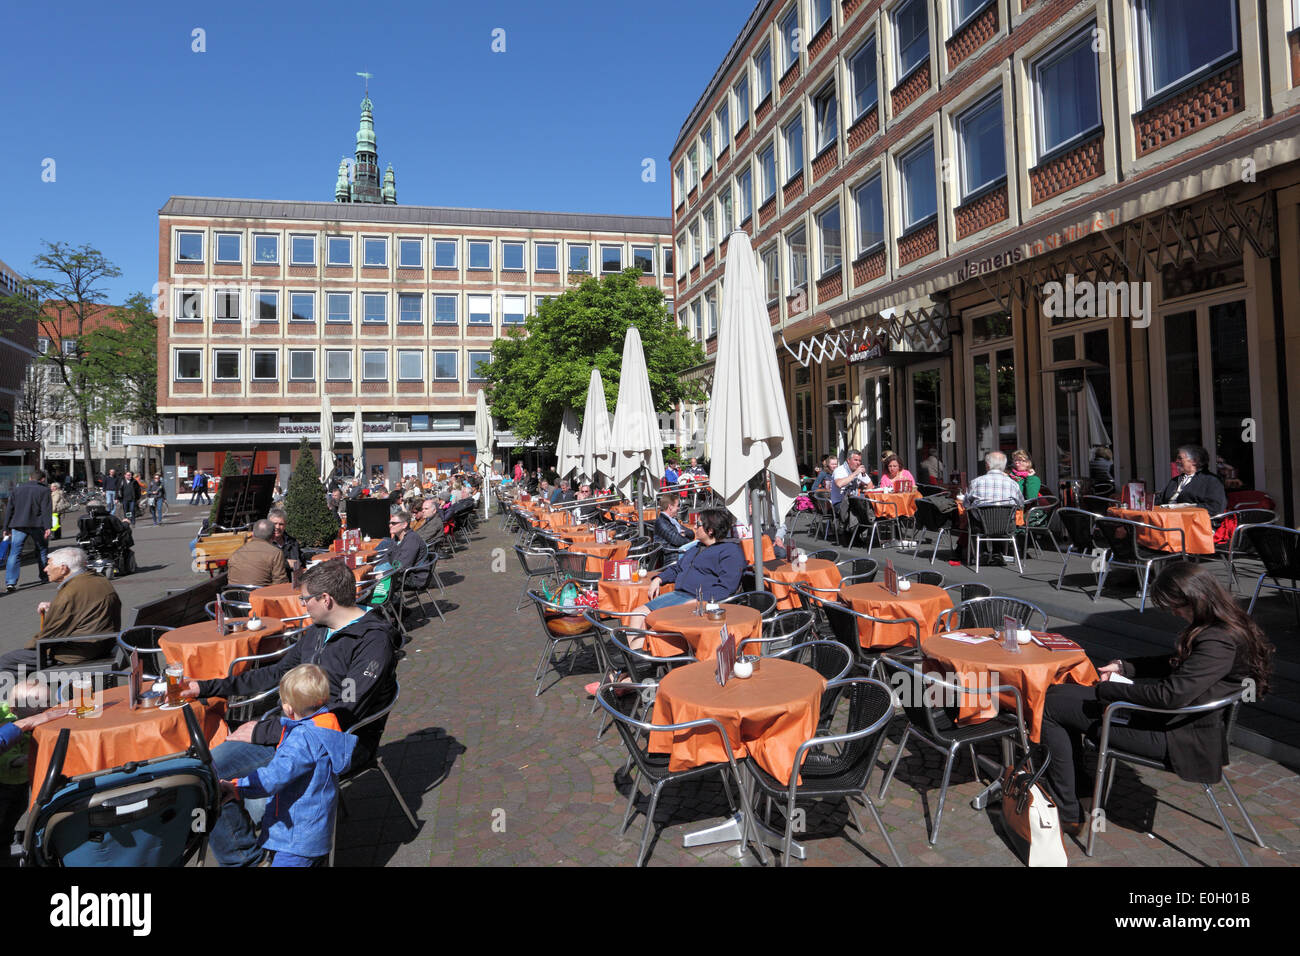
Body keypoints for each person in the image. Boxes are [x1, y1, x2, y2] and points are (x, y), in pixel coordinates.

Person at [182, 558, 397, 866]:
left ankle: (255, 849)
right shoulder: (317, 631)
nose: (301, 605)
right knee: (207, 775)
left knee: (221, 772)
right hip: (293, 730)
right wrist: (205, 688)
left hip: (335, 742)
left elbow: (343, 711)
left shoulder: (372, 641)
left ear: (326, 600)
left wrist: (264, 730)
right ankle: (246, 857)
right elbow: (276, 674)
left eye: (304, 599)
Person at [1039, 563, 1274, 836]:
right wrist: (1125, 668)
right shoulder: (1225, 627)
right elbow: (1178, 664)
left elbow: (1169, 696)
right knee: (1058, 693)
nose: (1174, 613)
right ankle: (1077, 789)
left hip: (1176, 737)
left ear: (1196, 597)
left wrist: (1108, 691)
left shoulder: (1218, 640)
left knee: (1051, 706)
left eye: (1176, 606)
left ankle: (1068, 810)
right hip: (1178, 723)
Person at [219, 663, 357, 867]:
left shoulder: (302, 739)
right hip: (315, 828)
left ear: (287, 707)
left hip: (295, 835)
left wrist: (238, 786)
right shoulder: (328, 726)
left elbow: (274, 777)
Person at [0, 548, 122, 682]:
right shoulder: (97, 579)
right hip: (103, 643)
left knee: (8, 661)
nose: (45, 569)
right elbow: (85, 605)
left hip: (79, 651)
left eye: (49, 564)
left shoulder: (70, 592)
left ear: (63, 568)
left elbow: (50, 633)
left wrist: (29, 648)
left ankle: (16, 700)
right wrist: (55, 607)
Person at [624, 507, 745, 636]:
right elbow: (677, 568)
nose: (694, 526)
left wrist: (700, 600)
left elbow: (726, 588)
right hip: (678, 595)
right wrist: (659, 579)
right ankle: (635, 655)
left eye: (698, 524)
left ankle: (648, 654)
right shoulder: (697, 548)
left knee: (649, 623)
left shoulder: (730, 552)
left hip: (699, 601)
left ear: (710, 530)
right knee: (637, 614)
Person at [0, 681, 64, 862]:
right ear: (14, 710)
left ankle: (9, 837)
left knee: (19, 807)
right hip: (5, 782)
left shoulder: (28, 713)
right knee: (5, 816)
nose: (45, 713)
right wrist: (18, 760)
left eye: (47, 705)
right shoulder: (4, 721)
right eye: (39, 710)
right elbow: (4, 752)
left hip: (20, 782)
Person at [4, 469, 52, 592]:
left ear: (30, 478)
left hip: (18, 524)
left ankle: (10, 582)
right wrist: (48, 527)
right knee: (42, 550)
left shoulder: (17, 489)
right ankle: (44, 576)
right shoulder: (44, 490)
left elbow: (9, 509)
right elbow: (46, 510)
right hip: (37, 524)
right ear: (42, 479)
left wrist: (6, 527)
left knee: (15, 552)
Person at [1156, 444, 1227, 516]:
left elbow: (1215, 508)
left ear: (1194, 461)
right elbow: (1159, 500)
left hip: (1193, 522)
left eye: (1180, 458)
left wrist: (1184, 507)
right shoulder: (1174, 481)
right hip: (1166, 520)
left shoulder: (1212, 481)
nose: (1176, 461)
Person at [226, 519, 289, 587]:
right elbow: (281, 584)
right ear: (273, 537)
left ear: (252, 534)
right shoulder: (276, 553)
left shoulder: (236, 553)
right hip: (261, 595)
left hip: (233, 596)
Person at [267, 508, 303, 572]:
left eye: (281, 524)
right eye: (275, 524)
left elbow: (301, 562)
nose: (277, 527)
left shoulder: (293, 542)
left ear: (285, 525)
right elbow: (264, 564)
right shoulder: (264, 544)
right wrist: (286, 563)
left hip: (295, 578)